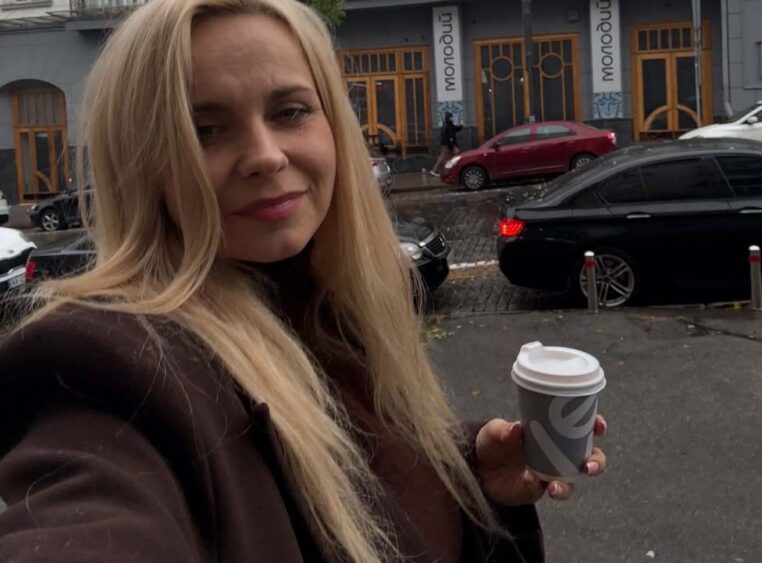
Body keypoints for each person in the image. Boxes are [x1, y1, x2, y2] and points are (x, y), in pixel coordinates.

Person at [0, 1, 606, 562]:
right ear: (142, 165)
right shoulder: (117, 374)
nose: (265, 155)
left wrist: (467, 472)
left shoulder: (338, 309)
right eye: (204, 130)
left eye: (289, 111)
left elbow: (346, 469)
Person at [431, 111, 462, 177]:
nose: (452, 118)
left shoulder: (449, 125)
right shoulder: (447, 126)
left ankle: (438, 170)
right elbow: (448, 136)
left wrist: (460, 126)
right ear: (448, 118)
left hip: (448, 144)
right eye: (451, 117)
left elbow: (455, 129)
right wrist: (450, 145)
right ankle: (438, 170)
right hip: (448, 144)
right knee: (454, 155)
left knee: (445, 157)